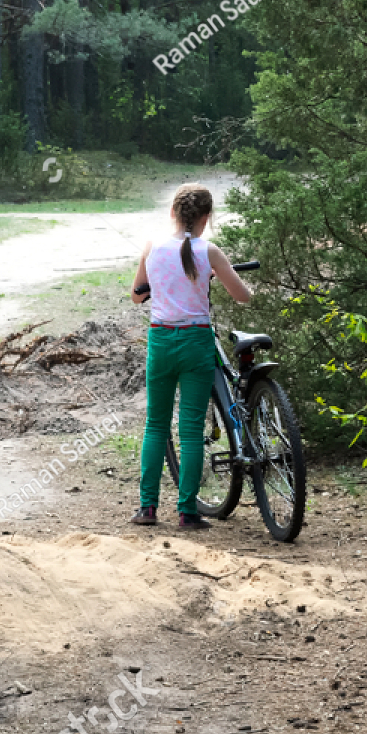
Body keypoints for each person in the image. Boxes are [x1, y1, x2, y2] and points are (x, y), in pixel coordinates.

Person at [129, 184, 252, 530]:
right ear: (206, 218)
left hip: (161, 340)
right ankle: (187, 511)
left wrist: (161, 284)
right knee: (191, 430)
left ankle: (147, 508)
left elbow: (137, 296)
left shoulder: (152, 246)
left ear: (173, 212)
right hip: (196, 341)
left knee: (156, 425)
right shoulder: (208, 251)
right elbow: (242, 296)